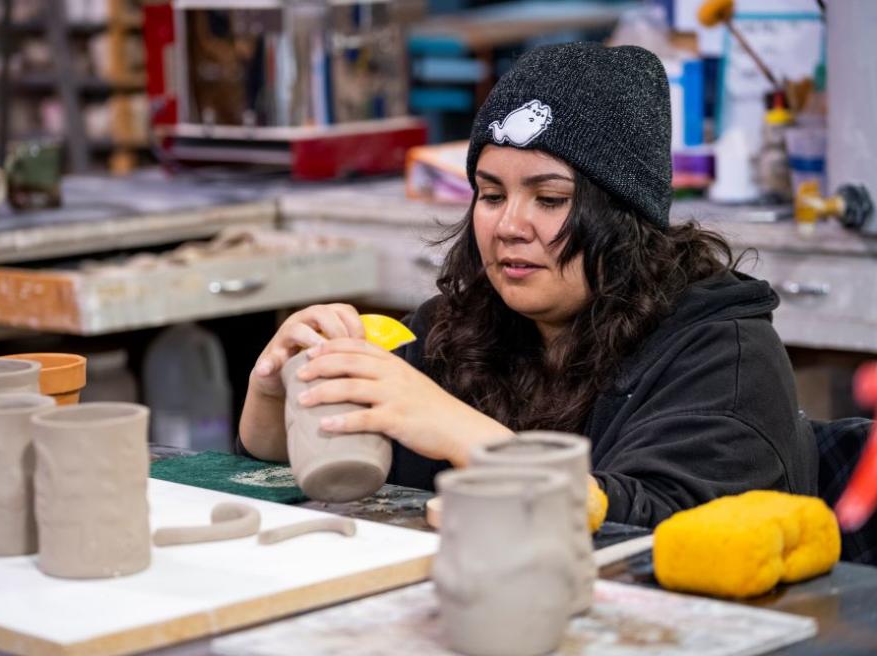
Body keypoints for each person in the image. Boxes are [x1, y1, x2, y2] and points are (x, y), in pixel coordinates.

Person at [239, 42, 817, 528]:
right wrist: (276, 392)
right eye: (491, 195)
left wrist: (462, 433)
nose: (509, 226)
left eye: (550, 198)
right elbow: (312, 457)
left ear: (626, 217)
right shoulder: (459, 326)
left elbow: (659, 529)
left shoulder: (722, 355)